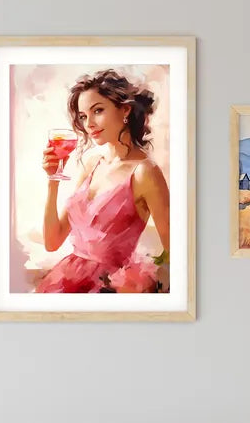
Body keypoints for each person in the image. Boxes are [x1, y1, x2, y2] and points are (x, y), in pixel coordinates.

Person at [37, 69, 170, 294]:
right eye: (83, 116)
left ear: (125, 109)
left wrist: (144, 284)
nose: (89, 123)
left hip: (107, 288)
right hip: (65, 278)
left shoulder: (145, 172)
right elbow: (52, 242)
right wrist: (53, 180)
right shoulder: (92, 164)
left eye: (97, 110)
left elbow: (175, 251)